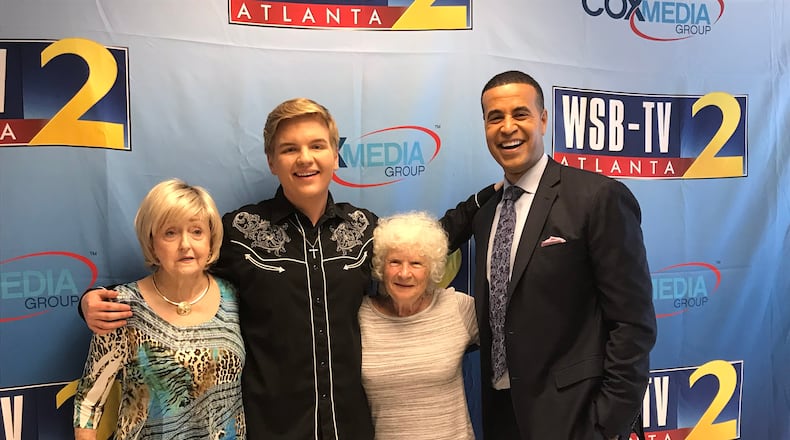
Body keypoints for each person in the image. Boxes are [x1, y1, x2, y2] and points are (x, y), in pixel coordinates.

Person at [80, 98, 497, 439]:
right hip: (271, 429)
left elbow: (419, 248)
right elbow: (177, 267)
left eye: (317, 145)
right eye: (289, 149)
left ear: (336, 154)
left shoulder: (363, 227)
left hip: (350, 427)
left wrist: (484, 200)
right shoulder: (240, 231)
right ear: (271, 161)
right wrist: (91, 302)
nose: (305, 158)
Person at [471, 70, 657, 440]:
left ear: (542, 119)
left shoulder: (596, 198)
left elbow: (633, 324)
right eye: (495, 118)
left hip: (577, 419)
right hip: (502, 418)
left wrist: (606, 424)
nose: (508, 128)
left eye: (520, 114)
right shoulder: (487, 214)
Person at [73, 179, 245, 439]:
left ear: (211, 239)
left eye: (196, 231)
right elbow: (89, 401)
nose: (185, 244)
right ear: (152, 243)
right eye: (170, 233)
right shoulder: (123, 307)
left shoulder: (235, 298)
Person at [359, 211, 478, 440]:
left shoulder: (456, 307)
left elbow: (513, 342)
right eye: (395, 262)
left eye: (416, 263)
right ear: (380, 267)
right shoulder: (359, 317)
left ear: (432, 269)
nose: (404, 273)